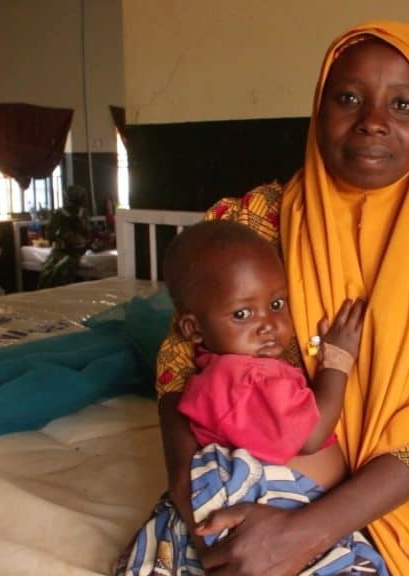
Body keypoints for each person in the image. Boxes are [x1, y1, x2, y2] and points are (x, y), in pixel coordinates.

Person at [153, 21, 409, 576]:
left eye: (402, 105)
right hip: (242, 492)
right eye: (348, 98)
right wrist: (187, 486)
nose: (373, 121)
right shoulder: (247, 227)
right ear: (319, 109)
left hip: (390, 501)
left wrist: (302, 534)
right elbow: (179, 369)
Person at [115, 220, 385, 575]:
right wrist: (338, 360)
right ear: (193, 329)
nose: (268, 324)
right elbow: (312, 433)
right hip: (277, 505)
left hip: (299, 508)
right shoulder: (243, 380)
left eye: (276, 303)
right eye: (242, 314)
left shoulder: (228, 372)